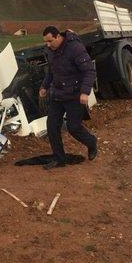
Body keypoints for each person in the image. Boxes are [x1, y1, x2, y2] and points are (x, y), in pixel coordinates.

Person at [39, 26, 98, 169]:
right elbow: (51, 72)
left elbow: (89, 71)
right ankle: (59, 159)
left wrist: (85, 92)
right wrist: (44, 87)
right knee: (52, 126)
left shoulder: (75, 48)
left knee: (73, 127)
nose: (47, 44)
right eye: (45, 42)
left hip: (74, 95)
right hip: (57, 95)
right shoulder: (50, 51)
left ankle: (91, 142)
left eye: (50, 41)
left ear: (58, 37)